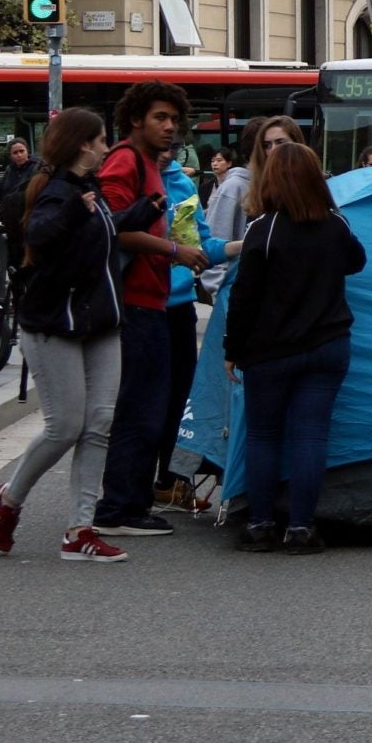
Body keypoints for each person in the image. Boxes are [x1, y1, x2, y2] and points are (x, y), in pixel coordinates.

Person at [0, 107, 154, 564]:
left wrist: (141, 210)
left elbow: (102, 236)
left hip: (99, 323)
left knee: (98, 425)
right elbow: (41, 235)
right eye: (101, 141)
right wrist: (80, 216)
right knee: (64, 427)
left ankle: (81, 529)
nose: (106, 148)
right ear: (83, 145)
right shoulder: (59, 192)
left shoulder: (86, 189)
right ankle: (10, 498)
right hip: (54, 325)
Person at [222, 142, 366, 555]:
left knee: (264, 435)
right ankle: (301, 529)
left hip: (269, 351)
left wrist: (232, 348)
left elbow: (243, 297)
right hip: (327, 346)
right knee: (310, 435)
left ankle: (260, 524)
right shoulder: (334, 225)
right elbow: (357, 262)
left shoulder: (262, 230)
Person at [89, 81, 208, 540]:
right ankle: (119, 507)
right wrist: (174, 250)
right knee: (141, 408)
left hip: (151, 299)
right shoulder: (125, 160)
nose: (170, 127)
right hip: (135, 302)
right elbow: (113, 229)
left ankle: (131, 502)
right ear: (136, 118)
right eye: (160, 117)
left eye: (174, 120)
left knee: (152, 407)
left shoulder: (146, 164)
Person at [151, 145, 230, 506]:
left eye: (173, 140)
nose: (166, 149)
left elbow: (202, 246)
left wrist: (240, 246)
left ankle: (169, 482)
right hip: (136, 308)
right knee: (140, 403)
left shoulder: (181, 186)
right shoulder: (123, 178)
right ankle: (129, 490)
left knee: (180, 400)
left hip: (178, 306)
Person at [200, 116, 302, 302]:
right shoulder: (234, 187)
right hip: (245, 297)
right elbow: (214, 243)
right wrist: (224, 296)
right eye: (267, 145)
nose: (274, 151)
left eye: (280, 142)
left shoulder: (295, 186)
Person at [0, 136, 37, 270]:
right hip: (10, 221)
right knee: (13, 259)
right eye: (15, 153)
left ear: (27, 151)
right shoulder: (10, 170)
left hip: (27, 220)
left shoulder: (36, 168)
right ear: (11, 156)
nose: (19, 155)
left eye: (22, 151)